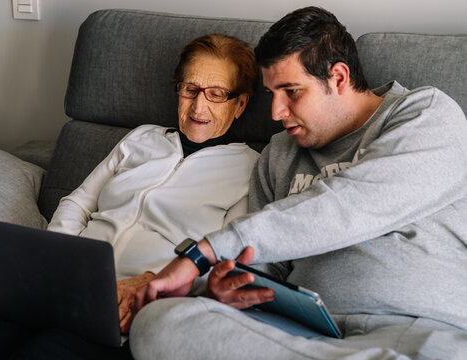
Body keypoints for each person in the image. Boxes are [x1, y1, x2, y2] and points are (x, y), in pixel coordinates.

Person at [129, 6, 467, 360]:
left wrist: (207, 251)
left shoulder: (425, 114)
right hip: (304, 334)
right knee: (159, 322)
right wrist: (229, 285)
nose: (276, 112)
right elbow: (262, 265)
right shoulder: (279, 154)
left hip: (419, 330)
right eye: (272, 93)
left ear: (338, 77)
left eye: (291, 91)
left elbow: (350, 205)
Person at [47, 33, 259, 333]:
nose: (198, 107)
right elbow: (79, 202)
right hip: (71, 275)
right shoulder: (141, 138)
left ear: (239, 105)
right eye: (190, 89)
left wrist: (151, 283)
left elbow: (224, 257)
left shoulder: (249, 168)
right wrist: (57, 255)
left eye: (216, 94)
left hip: (143, 299)